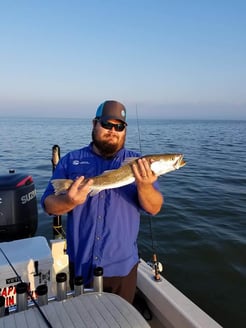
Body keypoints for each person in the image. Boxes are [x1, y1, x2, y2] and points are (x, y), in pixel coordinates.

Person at [41, 100, 163, 303]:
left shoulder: (140, 164)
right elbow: (48, 205)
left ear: (125, 130)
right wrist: (69, 202)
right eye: (107, 124)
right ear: (94, 124)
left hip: (121, 269)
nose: (113, 131)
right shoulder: (71, 160)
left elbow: (154, 207)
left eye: (119, 126)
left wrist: (145, 186)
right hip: (80, 265)